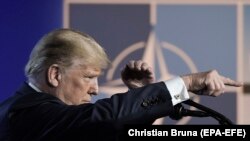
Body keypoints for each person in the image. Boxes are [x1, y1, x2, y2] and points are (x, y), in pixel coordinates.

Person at [0, 28, 243, 141]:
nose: (95, 88)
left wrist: (139, 96)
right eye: (88, 77)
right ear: (55, 75)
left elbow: (102, 131)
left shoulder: (49, 120)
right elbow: (101, 119)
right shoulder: (23, 113)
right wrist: (187, 83)